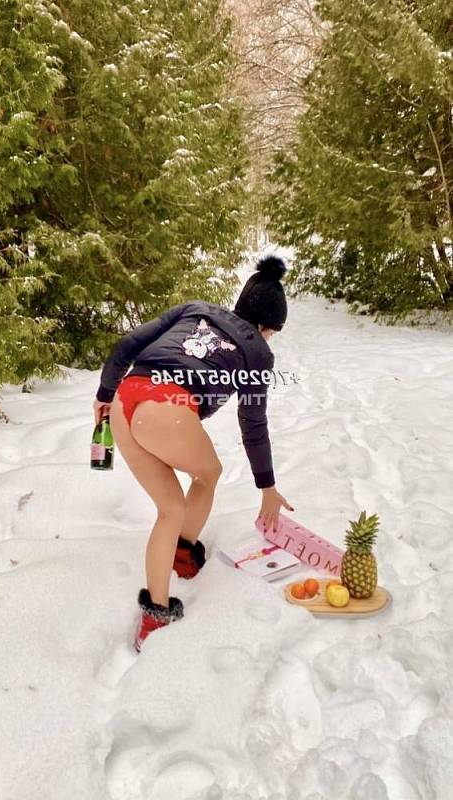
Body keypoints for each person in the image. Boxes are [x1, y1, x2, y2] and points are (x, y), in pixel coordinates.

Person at [93, 255, 294, 652]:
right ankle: (181, 556)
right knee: (208, 474)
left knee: (170, 507)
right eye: (273, 333)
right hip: (165, 407)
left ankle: (157, 611)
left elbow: (128, 344)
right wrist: (267, 487)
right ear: (267, 327)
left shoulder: (195, 308)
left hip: (125, 400)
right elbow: (253, 423)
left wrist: (104, 393)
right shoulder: (258, 352)